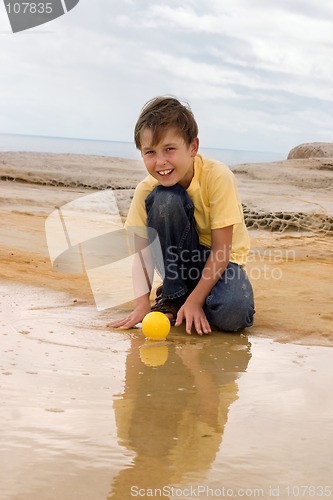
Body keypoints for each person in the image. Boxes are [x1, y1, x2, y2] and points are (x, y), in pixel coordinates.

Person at [108, 96, 255, 335]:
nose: (160, 162)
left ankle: (190, 298)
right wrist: (141, 305)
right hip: (176, 261)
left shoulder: (217, 176)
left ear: (193, 147)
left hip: (221, 261)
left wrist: (197, 301)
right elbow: (143, 255)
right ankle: (173, 296)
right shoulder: (146, 190)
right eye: (150, 152)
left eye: (170, 149)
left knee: (233, 315)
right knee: (165, 197)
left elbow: (222, 251)